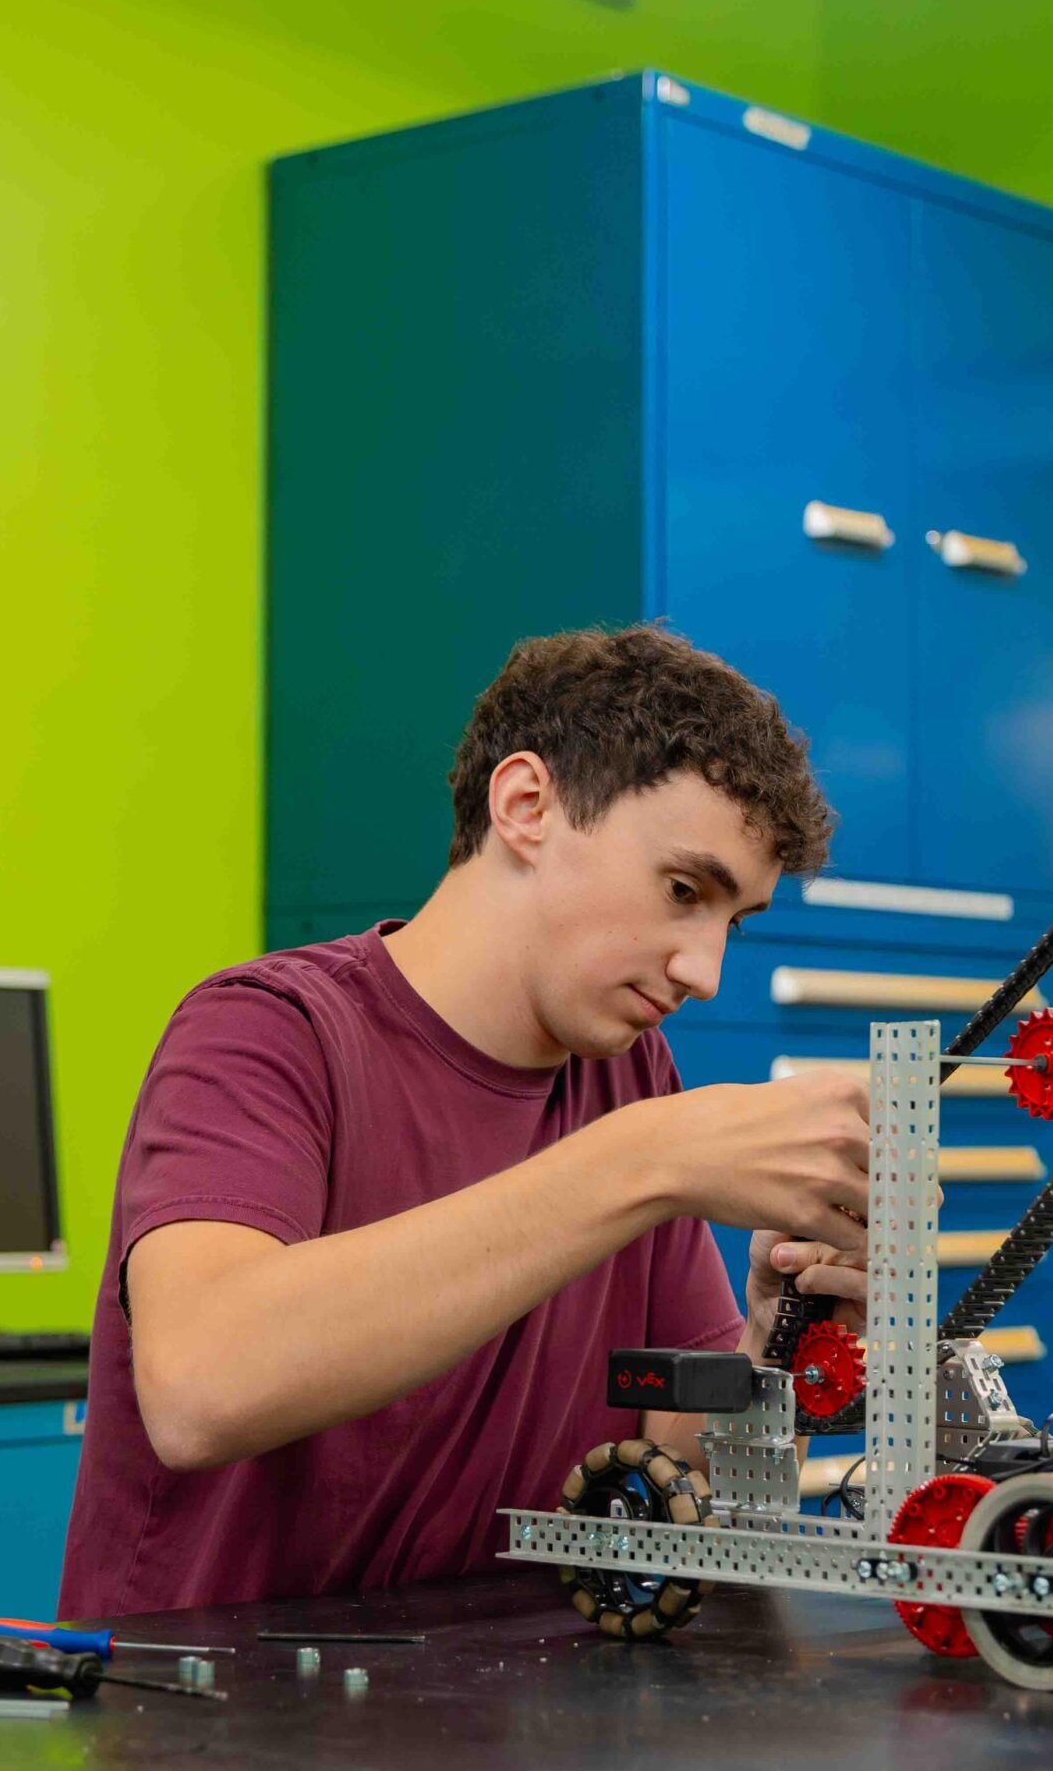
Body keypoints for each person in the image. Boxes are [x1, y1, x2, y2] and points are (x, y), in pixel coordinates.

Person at [59, 626, 870, 1618]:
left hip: (512, 1696)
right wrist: (643, 1161)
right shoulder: (266, 1031)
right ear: (525, 806)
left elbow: (681, 1480)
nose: (703, 971)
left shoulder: (630, 1077)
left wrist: (776, 1339)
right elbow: (199, 1390)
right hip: (217, 1697)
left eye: (730, 922)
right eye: (681, 891)